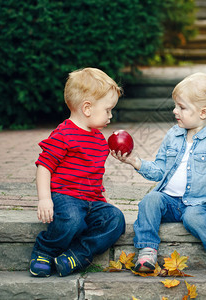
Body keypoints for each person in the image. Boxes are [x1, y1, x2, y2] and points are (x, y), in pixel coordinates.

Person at [111, 72, 206, 275]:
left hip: (198, 203)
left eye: (182, 107)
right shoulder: (173, 134)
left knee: (194, 217)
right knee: (150, 200)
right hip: (169, 201)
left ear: (203, 113)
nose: (175, 110)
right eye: (176, 105)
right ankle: (147, 250)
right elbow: (159, 171)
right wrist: (136, 162)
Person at [29, 67, 126, 277]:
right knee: (71, 219)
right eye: (108, 110)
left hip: (92, 200)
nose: (111, 115)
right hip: (66, 197)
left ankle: (77, 255)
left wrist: (105, 200)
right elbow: (44, 166)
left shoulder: (100, 140)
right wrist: (45, 199)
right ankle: (45, 251)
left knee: (116, 219)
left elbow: (94, 175)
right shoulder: (63, 134)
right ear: (87, 108)